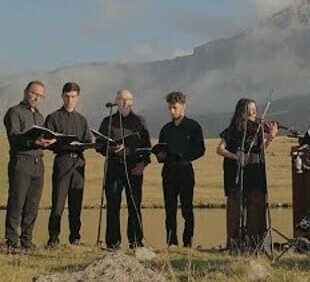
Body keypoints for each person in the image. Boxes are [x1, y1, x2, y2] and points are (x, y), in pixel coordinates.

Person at [216, 98, 278, 251]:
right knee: (235, 209)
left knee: (255, 206)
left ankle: (255, 243)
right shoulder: (231, 130)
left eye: (254, 110)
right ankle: (235, 244)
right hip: (235, 173)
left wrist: (271, 137)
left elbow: (262, 148)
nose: (252, 113)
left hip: (254, 172)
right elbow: (220, 149)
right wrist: (236, 156)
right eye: (249, 110)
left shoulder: (258, 129)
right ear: (241, 111)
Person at [3, 81, 56, 250]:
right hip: (21, 160)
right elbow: (14, 137)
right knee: (17, 201)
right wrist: (33, 141)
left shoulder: (40, 116)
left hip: (37, 162)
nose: (36, 98)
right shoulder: (14, 112)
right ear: (26, 91)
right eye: (34, 93)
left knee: (33, 203)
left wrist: (47, 142)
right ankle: (11, 241)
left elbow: (40, 138)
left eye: (40, 96)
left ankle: (27, 239)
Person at [96, 89, 151, 249]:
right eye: (121, 99)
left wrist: (143, 164)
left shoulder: (140, 122)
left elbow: (147, 147)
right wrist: (111, 148)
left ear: (132, 102)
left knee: (134, 204)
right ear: (116, 101)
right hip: (114, 166)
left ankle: (136, 241)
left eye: (128, 99)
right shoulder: (108, 121)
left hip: (134, 168)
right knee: (113, 205)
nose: (125, 102)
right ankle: (113, 243)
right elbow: (99, 145)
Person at [44, 82, 93, 248]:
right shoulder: (53, 117)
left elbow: (87, 141)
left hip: (79, 162)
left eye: (73, 97)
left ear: (77, 98)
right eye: (67, 96)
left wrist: (82, 144)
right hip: (62, 161)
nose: (70, 100)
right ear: (62, 96)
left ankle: (75, 238)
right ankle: (53, 239)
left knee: (76, 202)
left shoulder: (82, 119)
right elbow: (47, 141)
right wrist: (62, 143)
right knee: (58, 202)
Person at [155, 91, 205, 248]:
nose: (172, 111)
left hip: (185, 171)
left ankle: (187, 242)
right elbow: (161, 150)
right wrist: (160, 155)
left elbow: (200, 150)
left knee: (186, 209)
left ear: (184, 106)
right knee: (170, 210)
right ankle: (171, 242)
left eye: (175, 108)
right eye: (169, 108)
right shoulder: (165, 129)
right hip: (168, 171)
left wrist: (183, 155)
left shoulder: (193, 126)